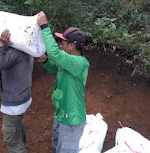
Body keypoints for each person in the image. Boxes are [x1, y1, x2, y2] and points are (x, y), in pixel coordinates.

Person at [36, 11, 89, 153]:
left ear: (71, 46)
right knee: (57, 146)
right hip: (61, 115)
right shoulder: (68, 62)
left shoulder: (79, 63)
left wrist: (44, 26)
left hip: (72, 120)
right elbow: (55, 69)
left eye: (62, 42)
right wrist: (45, 61)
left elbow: (54, 53)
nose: (60, 45)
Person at [0, 29, 34, 153]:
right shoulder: (27, 48)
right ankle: (23, 146)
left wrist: (1, 45)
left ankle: (20, 149)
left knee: (11, 140)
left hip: (14, 103)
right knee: (17, 124)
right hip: (23, 97)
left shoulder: (15, 52)